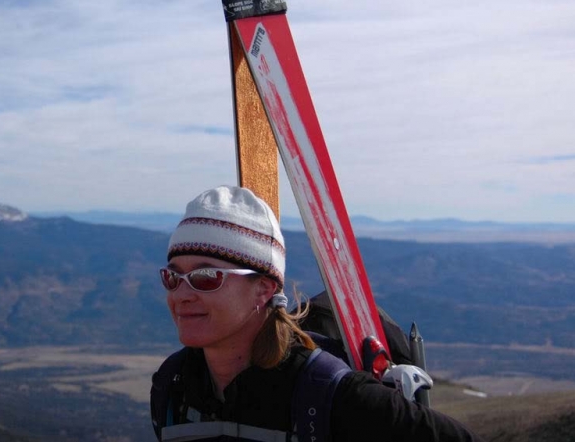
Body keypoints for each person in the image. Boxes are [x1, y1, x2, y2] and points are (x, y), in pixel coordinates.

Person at [151, 185, 484, 441]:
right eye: (172, 276)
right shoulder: (173, 386)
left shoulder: (329, 395)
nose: (181, 294)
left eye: (205, 278)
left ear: (265, 288)